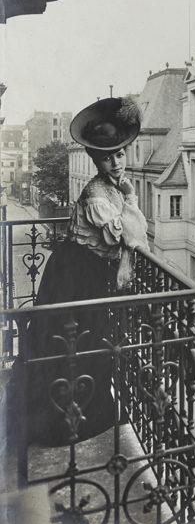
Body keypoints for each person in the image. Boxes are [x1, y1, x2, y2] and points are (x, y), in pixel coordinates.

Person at [18, 97, 149, 446]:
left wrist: (128, 208)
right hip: (74, 276)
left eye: (120, 154)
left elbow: (135, 240)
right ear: (95, 158)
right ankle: (57, 425)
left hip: (88, 274)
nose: (116, 162)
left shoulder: (113, 188)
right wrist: (132, 201)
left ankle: (89, 414)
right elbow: (136, 235)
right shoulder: (96, 197)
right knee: (67, 344)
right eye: (107, 156)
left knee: (89, 342)